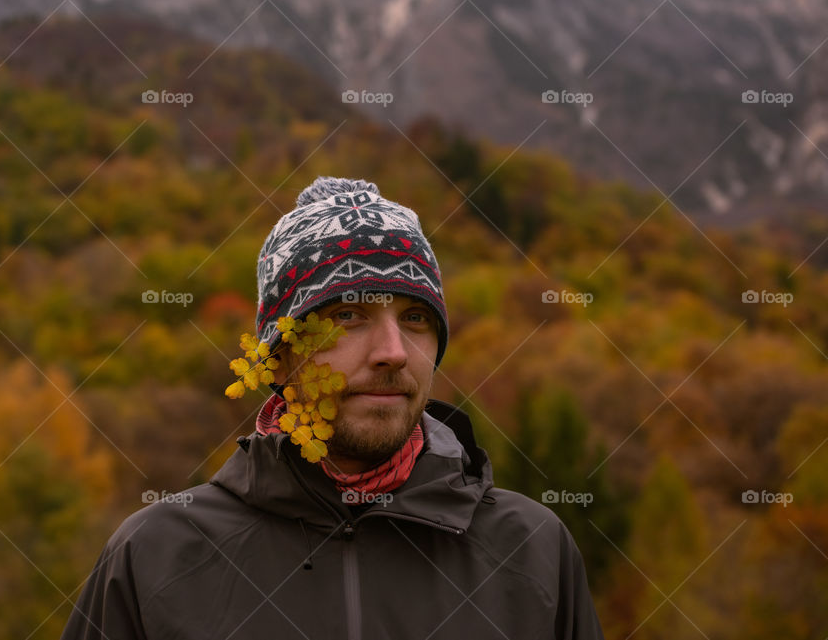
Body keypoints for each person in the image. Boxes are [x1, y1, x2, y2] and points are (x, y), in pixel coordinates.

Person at [61, 177, 605, 639]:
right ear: (277, 358)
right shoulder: (156, 557)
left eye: (416, 318)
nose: (393, 352)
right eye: (348, 316)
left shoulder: (532, 552)